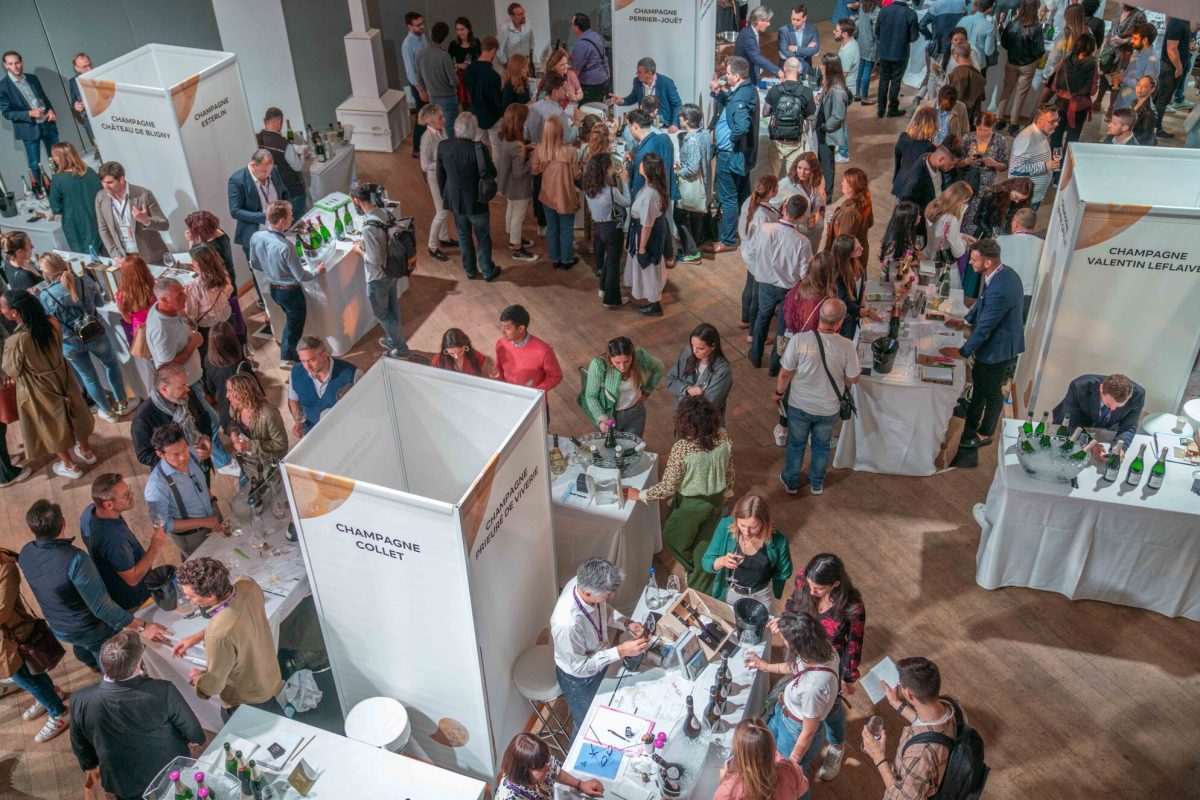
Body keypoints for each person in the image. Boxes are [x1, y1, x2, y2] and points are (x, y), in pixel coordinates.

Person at [18, 499, 169, 673]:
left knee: (81, 647)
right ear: (63, 522)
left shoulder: (26, 552)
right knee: (109, 661)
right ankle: (108, 675)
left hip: (59, 627)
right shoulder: (76, 560)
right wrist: (143, 626)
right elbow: (102, 608)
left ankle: (91, 665)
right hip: (90, 629)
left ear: (32, 529)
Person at [70, 631, 205, 800]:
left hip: (121, 781)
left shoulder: (80, 699)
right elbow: (191, 728)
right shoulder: (162, 690)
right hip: (168, 770)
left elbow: (79, 741)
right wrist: (195, 739)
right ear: (137, 663)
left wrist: (89, 765)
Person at [624, 396, 735, 594]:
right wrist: (727, 490)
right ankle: (701, 581)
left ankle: (695, 570)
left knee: (672, 536)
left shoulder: (682, 448)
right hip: (717, 499)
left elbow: (668, 486)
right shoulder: (723, 435)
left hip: (693, 504)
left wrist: (639, 494)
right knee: (704, 542)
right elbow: (730, 468)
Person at [783, 553, 868, 780]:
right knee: (801, 693)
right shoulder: (803, 578)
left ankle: (836, 746)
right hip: (800, 650)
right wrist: (785, 625)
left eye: (819, 588)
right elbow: (791, 604)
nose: (812, 591)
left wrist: (848, 677)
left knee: (830, 707)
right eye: (810, 585)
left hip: (830, 662)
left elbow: (854, 644)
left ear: (836, 584)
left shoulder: (852, 607)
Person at [170, 557, 283, 723]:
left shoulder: (218, 636)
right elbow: (237, 620)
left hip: (246, 701)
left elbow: (213, 686)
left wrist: (197, 679)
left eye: (191, 596)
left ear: (211, 596)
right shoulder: (247, 584)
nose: (188, 599)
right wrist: (197, 636)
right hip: (269, 675)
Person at [1, 290, 97, 479]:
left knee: (50, 425)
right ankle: (87, 453)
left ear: (14, 312)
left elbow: (11, 369)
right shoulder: (52, 322)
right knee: (75, 413)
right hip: (63, 376)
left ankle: (70, 466)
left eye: (2, 307)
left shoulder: (16, 340)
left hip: (38, 387)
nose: (1, 311)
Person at [940, 239, 1024, 450]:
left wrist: (962, 352)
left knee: (991, 392)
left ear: (987, 262)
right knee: (980, 386)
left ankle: (985, 433)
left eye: (974, 259)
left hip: (998, 349)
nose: (970, 263)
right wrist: (965, 321)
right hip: (995, 344)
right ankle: (971, 420)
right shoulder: (1002, 273)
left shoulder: (1001, 289)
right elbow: (983, 301)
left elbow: (985, 327)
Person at [145, 277, 235, 473]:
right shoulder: (161, 330)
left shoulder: (168, 311)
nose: (185, 296)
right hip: (186, 386)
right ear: (164, 300)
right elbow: (167, 367)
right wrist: (193, 344)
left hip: (193, 379)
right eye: (179, 295)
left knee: (208, 419)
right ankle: (222, 462)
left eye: (183, 291)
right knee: (209, 421)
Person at [551, 557, 647, 739]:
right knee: (585, 724)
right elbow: (579, 667)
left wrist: (626, 623)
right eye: (606, 595)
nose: (610, 597)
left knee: (604, 709)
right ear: (588, 593)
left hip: (599, 660)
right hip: (579, 680)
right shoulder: (567, 624)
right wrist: (620, 651)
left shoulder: (584, 585)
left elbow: (602, 609)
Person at [37, 253, 135, 423]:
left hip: (70, 342)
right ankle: (122, 404)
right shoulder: (85, 280)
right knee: (111, 365)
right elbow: (100, 303)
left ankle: (108, 413)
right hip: (96, 333)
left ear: (46, 273)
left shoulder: (45, 295)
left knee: (88, 377)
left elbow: (52, 322)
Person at [777, 298, 861, 494]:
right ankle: (816, 483)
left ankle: (791, 482)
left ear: (819, 316)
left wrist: (778, 393)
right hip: (828, 408)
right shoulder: (847, 346)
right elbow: (853, 378)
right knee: (821, 446)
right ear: (840, 322)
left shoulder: (799, 340)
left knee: (796, 445)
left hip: (799, 405)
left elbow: (785, 373)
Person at [746, 612, 841, 773]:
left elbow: (808, 732)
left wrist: (792, 764)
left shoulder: (814, 687)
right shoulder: (821, 648)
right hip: (784, 714)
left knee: (786, 773)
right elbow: (796, 667)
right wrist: (765, 666)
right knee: (769, 748)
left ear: (796, 646)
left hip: (794, 730)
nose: (783, 641)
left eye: (785, 639)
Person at [859, 657, 958, 800]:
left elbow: (901, 797)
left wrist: (878, 757)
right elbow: (926, 723)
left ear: (908, 694)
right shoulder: (950, 704)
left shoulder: (920, 755)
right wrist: (896, 703)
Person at [0, 545, 69, 741]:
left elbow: (2, 611)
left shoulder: (6, 568)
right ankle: (51, 695)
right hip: (7, 640)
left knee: (25, 678)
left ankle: (59, 713)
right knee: (31, 672)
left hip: (13, 638)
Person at [249, 200, 326, 367]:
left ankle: (291, 353)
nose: (293, 217)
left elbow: (254, 264)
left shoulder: (256, 237)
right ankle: (287, 357)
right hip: (290, 292)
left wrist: (273, 269)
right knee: (294, 326)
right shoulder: (286, 246)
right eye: (290, 215)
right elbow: (301, 276)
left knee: (291, 322)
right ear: (282, 221)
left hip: (274, 289)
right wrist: (318, 271)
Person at [81, 473, 169, 613]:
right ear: (108, 504)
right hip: (136, 602)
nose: (132, 494)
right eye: (126, 495)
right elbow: (132, 579)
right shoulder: (113, 540)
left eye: (129, 490)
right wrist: (155, 546)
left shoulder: (91, 511)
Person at [438, 112, 502, 282]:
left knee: (463, 236)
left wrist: (447, 196)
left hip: (456, 201)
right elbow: (492, 172)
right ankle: (487, 269)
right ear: (473, 129)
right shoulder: (479, 148)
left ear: (456, 127)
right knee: (483, 236)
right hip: (477, 201)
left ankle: (470, 270)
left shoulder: (444, 146)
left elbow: (440, 176)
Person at [752, 195, 812, 373]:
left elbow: (754, 250)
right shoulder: (803, 241)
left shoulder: (764, 229)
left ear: (784, 208)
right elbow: (804, 271)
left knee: (762, 318)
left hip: (765, 284)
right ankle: (775, 364)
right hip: (789, 289)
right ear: (802, 217)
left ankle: (755, 355)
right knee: (783, 328)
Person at [144, 423, 222, 556]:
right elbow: (163, 525)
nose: (184, 457)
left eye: (184, 448)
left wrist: (213, 503)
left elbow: (201, 484)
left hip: (214, 517)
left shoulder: (192, 453)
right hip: (192, 537)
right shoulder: (156, 487)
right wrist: (204, 522)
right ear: (160, 454)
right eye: (176, 454)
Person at [350, 184, 409, 358]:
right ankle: (393, 340)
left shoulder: (368, 226)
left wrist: (360, 251)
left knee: (382, 315)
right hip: (392, 270)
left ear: (356, 200)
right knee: (393, 307)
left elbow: (374, 260)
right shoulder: (383, 213)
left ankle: (402, 349)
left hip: (377, 277)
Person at [708, 57, 760, 254]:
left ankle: (728, 240)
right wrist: (718, 93)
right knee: (743, 196)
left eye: (728, 74)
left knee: (728, 198)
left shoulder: (740, 97)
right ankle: (746, 231)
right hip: (740, 155)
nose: (726, 76)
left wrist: (729, 139)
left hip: (730, 156)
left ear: (737, 76)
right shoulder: (745, 90)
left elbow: (742, 126)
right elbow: (730, 104)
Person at [702, 494, 793, 606]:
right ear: (736, 519)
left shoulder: (779, 541)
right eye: (742, 525)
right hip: (730, 593)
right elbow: (706, 562)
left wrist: (775, 589)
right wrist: (723, 561)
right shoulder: (725, 527)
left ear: (764, 522)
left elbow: (784, 571)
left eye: (753, 527)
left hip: (761, 596)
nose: (746, 532)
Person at [130, 364, 218, 472]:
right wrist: (181, 457)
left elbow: (204, 417)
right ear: (164, 389)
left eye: (186, 384)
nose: (187, 389)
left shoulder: (186, 395)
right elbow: (144, 455)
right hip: (176, 472)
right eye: (181, 386)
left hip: (201, 461)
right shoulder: (142, 418)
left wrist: (206, 437)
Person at [579, 336, 664, 437]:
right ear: (610, 358)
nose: (622, 367)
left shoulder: (640, 356)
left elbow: (659, 369)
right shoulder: (599, 365)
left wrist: (647, 391)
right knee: (608, 446)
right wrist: (601, 418)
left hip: (635, 413)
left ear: (632, 356)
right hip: (609, 416)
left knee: (633, 446)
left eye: (627, 361)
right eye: (617, 362)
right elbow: (591, 395)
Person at [185, 210, 247, 343]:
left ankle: (239, 342)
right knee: (235, 318)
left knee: (230, 322)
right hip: (228, 281)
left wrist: (191, 241)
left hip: (217, 285)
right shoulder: (221, 234)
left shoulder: (210, 248)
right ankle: (241, 342)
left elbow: (195, 257)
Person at [95, 161, 170, 266]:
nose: (105, 186)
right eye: (103, 182)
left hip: (151, 256)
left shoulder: (143, 195)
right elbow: (103, 229)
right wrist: (115, 256)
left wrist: (146, 220)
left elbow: (165, 225)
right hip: (125, 258)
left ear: (122, 179)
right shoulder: (101, 197)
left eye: (110, 182)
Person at [624, 152, 671, 316]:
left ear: (649, 169)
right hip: (645, 232)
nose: (639, 165)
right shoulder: (650, 186)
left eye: (642, 163)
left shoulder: (651, 194)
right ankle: (652, 300)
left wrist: (642, 248)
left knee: (649, 269)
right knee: (649, 269)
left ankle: (655, 304)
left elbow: (647, 225)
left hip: (648, 236)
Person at [715, 718, 810, 800]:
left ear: (739, 753)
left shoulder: (729, 791)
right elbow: (803, 787)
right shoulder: (789, 769)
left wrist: (724, 779)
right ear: (771, 746)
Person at [0, 51, 59, 182]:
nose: (15, 67)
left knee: (58, 158)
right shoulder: (2, 87)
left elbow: (44, 99)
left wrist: (51, 111)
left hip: (47, 124)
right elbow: (7, 113)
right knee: (34, 164)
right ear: (5, 65)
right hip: (28, 130)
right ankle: (42, 189)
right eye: (11, 64)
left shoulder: (32, 78)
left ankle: (61, 184)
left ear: (22, 62)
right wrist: (29, 113)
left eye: (17, 63)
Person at [532, 115, 581, 269]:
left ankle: (554, 258)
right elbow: (576, 175)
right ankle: (566, 259)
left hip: (547, 195)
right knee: (566, 228)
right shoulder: (570, 151)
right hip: (565, 195)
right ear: (561, 132)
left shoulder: (539, 149)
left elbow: (534, 171)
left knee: (552, 228)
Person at [1052, 373, 1144, 454]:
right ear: (1101, 388)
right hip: (1068, 424)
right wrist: (1091, 445)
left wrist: (1119, 448)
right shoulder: (1079, 386)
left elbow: (1128, 427)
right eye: (1109, 404)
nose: (1112, 409)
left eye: (1118, 406)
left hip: (1105, 428)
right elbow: (1072, 422)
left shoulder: (1138, 395)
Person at [582, 153, 630, 307]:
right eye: (611, 165)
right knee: (614, 263)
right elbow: (627, 201)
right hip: (612, 228)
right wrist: (625, 182)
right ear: (606, 169)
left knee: (609, 259)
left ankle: (603, 288)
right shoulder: (611, 191)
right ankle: (611, 300)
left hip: (599, 227)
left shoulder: (589, 188)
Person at [497, 732, 604, 799]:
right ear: (524, 771)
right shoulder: (510, 797)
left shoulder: (538, 762)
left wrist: (580, 784)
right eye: (541, 768)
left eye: (547, 762)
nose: (548, 769)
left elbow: (555, 770)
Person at [287, 336, 359, 435]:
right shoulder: (295, 373)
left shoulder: (352, 374)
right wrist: (297, 422)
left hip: (345, 432)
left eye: (311, 360)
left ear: (324, 355)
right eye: (303, 361)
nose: (307, 367)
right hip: (312, 434)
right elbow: (293, 400)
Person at [227, 373, 288, 485]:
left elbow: (281, 444)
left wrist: (250, 446)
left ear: (243, 392)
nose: (227, 395)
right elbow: (233, 424)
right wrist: (233, 433)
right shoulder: (235, 407)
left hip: (268, 466)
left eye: (230, 391)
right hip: (248, 464)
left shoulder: (268, 414)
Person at [495, 108, 537, 267]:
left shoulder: (504, 138)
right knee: (518, 216)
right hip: (519, 187)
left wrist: (525, 147)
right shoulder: (517, 146)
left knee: (511, 211)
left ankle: (514, 238)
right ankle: (517, 248)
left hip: (508, 184)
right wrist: (531, 159)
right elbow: (520, 172)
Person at [997, 0, 1045, 134]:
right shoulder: (1036, 28)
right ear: (1035, 9)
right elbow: (1039, 50)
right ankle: (1013, 124)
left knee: (1006, 92)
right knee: (1020, 95)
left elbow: (1004, 43)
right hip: (1028, 65)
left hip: (1011, 62)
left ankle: (999, 120)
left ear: (1022, 7)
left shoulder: (1012, 23)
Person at [666, 323, 733, 419]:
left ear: (713, 346)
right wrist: (688, 389)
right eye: (693, 346)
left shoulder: (722, 371)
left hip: (703, 423)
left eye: (700, 349)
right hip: (681, 416)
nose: (694, 351)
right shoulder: (688, 352)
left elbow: (709, 404)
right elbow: (671, 379)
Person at [765, 57, 817, 180]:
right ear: (798, 70)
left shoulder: (774, 90)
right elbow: (811, 117)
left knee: (772, 176)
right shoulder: (806, 92)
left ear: (784, 69)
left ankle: (771, 191)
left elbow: (765, 112)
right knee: (793, 178)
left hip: (776, 140)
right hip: (796, 139)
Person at [47, 142, 103, 254]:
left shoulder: (59, 179)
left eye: (54, 156)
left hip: (76, 225)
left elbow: (56, 207)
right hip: (98, 219)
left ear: (62, 158)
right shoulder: (90, 172)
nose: (53, 159)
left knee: (87, 257)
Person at [958, 113, 1010, 234]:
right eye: (979, 129)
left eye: (986, 130)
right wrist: (967, 161)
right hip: (968, 185)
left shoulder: (1000, 141)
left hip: (987, 186)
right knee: (963, 214)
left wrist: (995, 164)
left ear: (993, 127)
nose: (982, 133)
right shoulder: (967, 138)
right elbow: (957, 162)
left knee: (980, 216)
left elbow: (1004, 166)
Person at [183, 243, 234, 365]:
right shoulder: (223, 275)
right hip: (227, 319)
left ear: (197, 264)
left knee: (213, 358)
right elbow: (228, 292)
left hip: (209, 329)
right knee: (229, 349)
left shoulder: (194, 287)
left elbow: (192, 315)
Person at [417, 104, 455, 262]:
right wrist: (443, 163)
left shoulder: (441, 130)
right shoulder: (427, 138)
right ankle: (432, 246)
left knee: (445, 207)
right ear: (431, 120)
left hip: (444, 176)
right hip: (435, 178)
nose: (444, 119)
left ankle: (444, 238)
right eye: (440, 117)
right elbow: (424, 165)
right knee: (442, 211)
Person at [493, 304, 563, 391]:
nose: (502, 331)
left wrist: (536, 391)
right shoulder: (501, 343)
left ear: (521, 329)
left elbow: (556, 376)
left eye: (507, 328)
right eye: (502, 326)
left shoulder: (544, 351)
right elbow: (498, 366)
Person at [204, 321, 257, 433]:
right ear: (232, 341)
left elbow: (210, 387)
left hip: (226, 417)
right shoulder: (241, 367)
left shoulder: (208, 360)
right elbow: (255, 393)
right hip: (244, 418)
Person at [256, 107, 307, 217]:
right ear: (279, 122)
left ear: (265, 120)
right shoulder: (284, 145)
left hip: (274, 192)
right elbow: (297, 166)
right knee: (298, 221)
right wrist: (303, 154)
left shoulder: (257, 140)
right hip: (292, 190)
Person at [1008, 104, 1062, 210]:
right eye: (1052, 121)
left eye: (1057, 120)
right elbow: (1015, 169)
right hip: (1023, 200)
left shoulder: (1041, 134)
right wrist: (1045, 166)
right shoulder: (1027, 138)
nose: (1056, 124)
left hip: (1032, 197)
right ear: (1040, 121)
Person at [923, 180, 975, 287]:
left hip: (928, 259)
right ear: (958, 201)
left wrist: (962, 235)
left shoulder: (933, 207)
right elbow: (958, 252)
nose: (966, 206)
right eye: (965, 202)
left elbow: (940, 234)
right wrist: (965, 242)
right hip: (944, 267)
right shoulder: (951, 220)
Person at [610, 58, 683, 133]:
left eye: (639, 72)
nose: (636, 73)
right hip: (644, 124)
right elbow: (633, 98)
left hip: (664, 125)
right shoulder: (637, 81)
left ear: (649, 73)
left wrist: (674, 124)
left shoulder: (666, 83)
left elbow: (677, 104)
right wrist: (622, 101)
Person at [875, 0, 921, 117]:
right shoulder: (911, 13)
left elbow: (877, 32)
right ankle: (892, 108)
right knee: (896, 81)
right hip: (900, 53)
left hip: (884, 52)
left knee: (883, 80)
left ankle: (881, 109)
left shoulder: (884, 11)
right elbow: (914, 37)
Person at [995, 207, 1042, 317]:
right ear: (1034, 226)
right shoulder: (1043, 245)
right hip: (1028, 299)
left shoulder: (1000, 241)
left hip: (1003, 294)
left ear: (1015, 224)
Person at [832, 235, 880, 339]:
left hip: (855, 316)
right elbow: (847, 304)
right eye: (857, 249)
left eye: (860, 245)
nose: (862, 248)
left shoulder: (856, 262)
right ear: (847, 254)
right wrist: (867, 313)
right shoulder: (837, 276)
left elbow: (861, 289)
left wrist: (864, 305)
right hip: (845, 321)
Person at [1155, 18, 1197, 135]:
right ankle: (1156, 129)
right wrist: (1179, 67)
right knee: (1162, 99)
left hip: (1173, 66)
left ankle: (1154, 126)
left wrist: (1187, 44)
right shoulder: (1177, 23)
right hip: (1170, 67)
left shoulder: (1183, 22)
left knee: (1163, 98)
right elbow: (1171, 49)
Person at [416, 22, 459, 134]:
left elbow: (419, 78)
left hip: (432, 98)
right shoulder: (444, 56)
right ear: (445, 37)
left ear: (431, 34)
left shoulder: (421, 54)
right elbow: (454, 82)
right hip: (448, 98)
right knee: (449, 129)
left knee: (435, 129)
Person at [778, 153, 826, 253]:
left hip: (816, 228)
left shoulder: (820, 180)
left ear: (813, 170)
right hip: (796, 231)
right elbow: (773, 205)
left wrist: (821, 218)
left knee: (811, 257)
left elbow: (822, 201)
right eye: (799, 168)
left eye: (806, 169)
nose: (802, 172)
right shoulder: (787, 183)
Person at [826, 167, 874, 262]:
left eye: (844, 182)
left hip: (849, 261)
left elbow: (844, 244)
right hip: (861, 255)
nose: (841, 183)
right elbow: (870, 223)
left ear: (853, 186)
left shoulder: (850, 211)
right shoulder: (865, 199)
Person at [467, 36, 504, 152]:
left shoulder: (469, 70)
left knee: (479, 147)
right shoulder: (494, 76)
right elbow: (498, 101)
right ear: (493, 50)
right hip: (493, 116)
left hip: (476, 113)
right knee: (497, 147)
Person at [891, 108, 937, 199]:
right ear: (932, 125)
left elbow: (897, 157)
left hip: (900, 181)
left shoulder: (903, 137)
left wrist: (896, 176)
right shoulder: (930, 147)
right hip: (915, 187)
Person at [1113, 22, 1159, 112]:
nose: (1131, 41)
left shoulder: (1152, 61)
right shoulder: (1137, 52)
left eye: (1135, 38)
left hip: (1132, 107)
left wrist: (1123, 79)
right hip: (1123, 101)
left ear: (1145, 40)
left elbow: (1147, 88)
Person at [969, 176, 1032, 240]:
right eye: (1016, 197)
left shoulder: (1020, 202)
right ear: (1011, 188)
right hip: (987, 234)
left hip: (1005, 235)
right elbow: (978, 219)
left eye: (1021, 200)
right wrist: (990, 234)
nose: (1017, 201)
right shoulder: (992, 194)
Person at [820, 53, 853, 165]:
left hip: (829, 134)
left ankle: (843, 154)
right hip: (829, 132)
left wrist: (824, 128)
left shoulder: (837, 91)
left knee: (828, 165)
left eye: (823, 65)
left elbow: (838, 116)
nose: (820, 67)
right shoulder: (830, 83)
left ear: (829, 68)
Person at [736, 6, 784, 83]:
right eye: (767, 21)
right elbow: (756, 57)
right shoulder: (748, 36)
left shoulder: (751, 31)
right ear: (758, 21)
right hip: (745, 78)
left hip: (749, 74)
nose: (769, 24)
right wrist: (778, 71)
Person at [569, 13, 610, 103]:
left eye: (572, 24)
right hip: (602, 78)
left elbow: (575, 70)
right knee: (597, 105)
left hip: (590, 83)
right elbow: (592, 56)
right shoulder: (596, 36)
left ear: (577, 27)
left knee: (587, 108)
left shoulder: (581, 44)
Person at [947, 43, 986, 123]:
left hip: (956, 118)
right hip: (972, 119)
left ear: (957, 55)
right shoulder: (978, 75)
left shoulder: (955, 74)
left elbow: (950, 98)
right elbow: (982, 97)